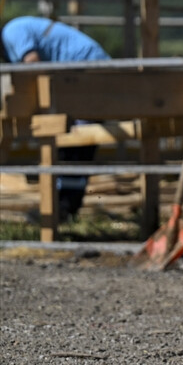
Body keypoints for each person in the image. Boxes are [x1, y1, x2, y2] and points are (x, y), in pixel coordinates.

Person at [2, 16, 110, 217]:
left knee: (76, 142)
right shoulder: (14, 34)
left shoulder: (11, 31)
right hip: (88, 71)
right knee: (77, 145)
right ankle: (65, 207)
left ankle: (62, 207)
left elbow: (33, 64)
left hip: (87, 73)